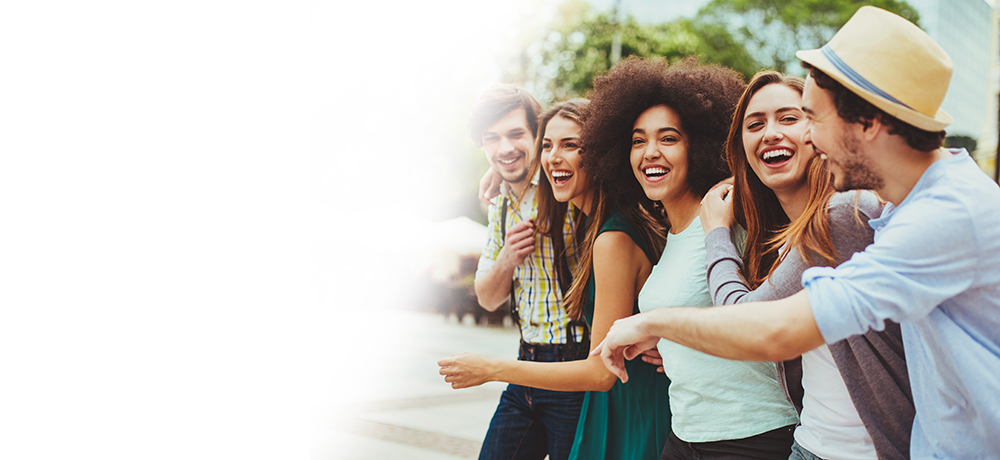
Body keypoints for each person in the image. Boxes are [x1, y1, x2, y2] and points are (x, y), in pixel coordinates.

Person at [593, 6, 1000, 458]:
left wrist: (651, 321)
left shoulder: (942, 218)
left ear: (867, 121)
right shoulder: (915, 207)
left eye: (813, 119)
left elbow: (775, 331)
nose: (813, 140)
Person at [585, 56, 798, 460]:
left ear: (699, 146)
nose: (650, 152)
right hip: (685, 434)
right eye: (638, 141)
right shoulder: (672, 235)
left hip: (752, 436)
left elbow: (760, 317)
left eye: (668, 139)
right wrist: (673, 341)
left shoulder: (731, 212)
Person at [440, 99, 672, 459]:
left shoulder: (611, 236)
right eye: (547, 146)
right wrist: (501, 168)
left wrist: (490, 368)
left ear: (599, 153)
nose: (553, 157)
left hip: (622, 394)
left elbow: (601, 373)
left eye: (570, 145)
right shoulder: (593, 217)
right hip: (608, 390)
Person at [700, 70, 913, 460]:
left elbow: (743, 322)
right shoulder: (787, 237)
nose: (770, 133)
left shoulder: (845, 213)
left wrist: (716, 232)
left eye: (789, 118)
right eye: (755, 124)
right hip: (810, 443)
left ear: (818, 131)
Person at [462, 85, 588, 460]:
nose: (504, 147)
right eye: (492, 138)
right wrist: (507, 259)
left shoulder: (564, 184)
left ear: (537, 134)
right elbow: (487, 298)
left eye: (516, 134)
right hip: (524, 366)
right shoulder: (500, 204)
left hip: (575, 369)